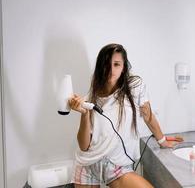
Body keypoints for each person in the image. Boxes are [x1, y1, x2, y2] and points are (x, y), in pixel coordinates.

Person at [68, 43, 173, 188]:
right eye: (106, 64)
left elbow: (148, 117)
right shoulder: (91, 98)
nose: (111, 69)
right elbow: (84, 146)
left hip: (117, 166)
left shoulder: (135, 87)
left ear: (124, 67)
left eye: (116, 64)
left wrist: (163, 141)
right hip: (88, 165)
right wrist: (85, 114)